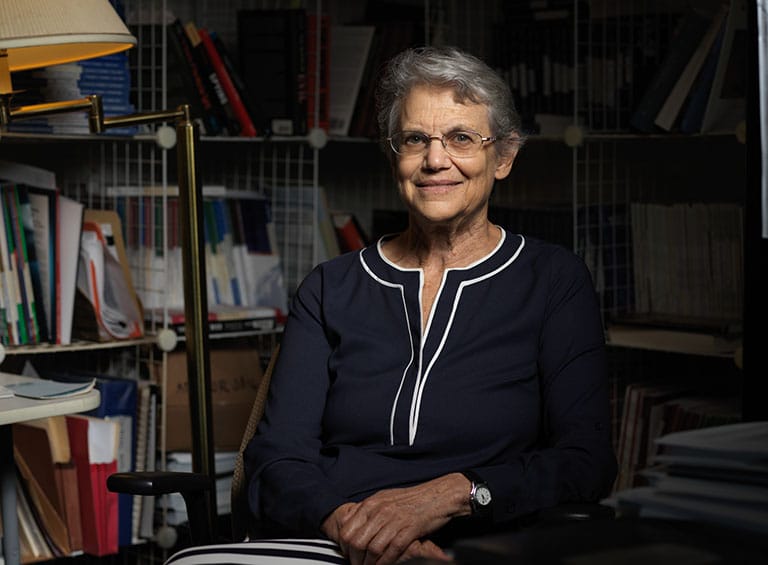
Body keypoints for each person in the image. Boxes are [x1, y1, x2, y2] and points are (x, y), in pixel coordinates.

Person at [168, 45, 617, 565]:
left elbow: (585, 463)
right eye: (414, 140)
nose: (434, 159)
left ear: (505, 156)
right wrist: (356, 530)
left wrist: (452, 494)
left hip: (478, 543)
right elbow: (276, 458)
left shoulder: (553, 281)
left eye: (461, 138)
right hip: (331, 539)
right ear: (393, 155)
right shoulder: (330, 287)